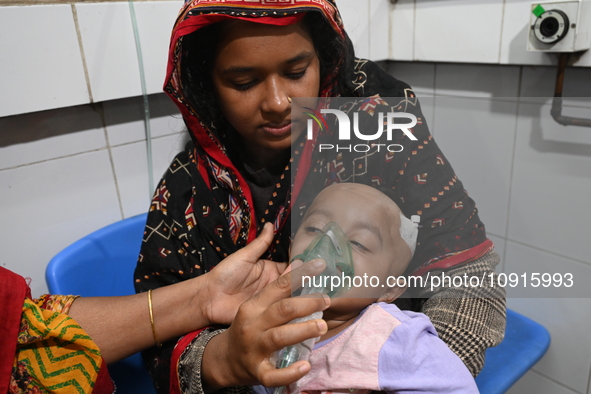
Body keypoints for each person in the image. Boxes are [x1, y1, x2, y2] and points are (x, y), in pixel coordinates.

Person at [133, 1, 506, 393]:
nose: (278, 103)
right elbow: (164, 344)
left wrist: (401, 369)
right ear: (207, 83)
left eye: (296, 73)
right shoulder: (188, 191)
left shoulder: (375, 124)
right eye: (243, 82)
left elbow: (467, 276)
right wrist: (230, 359)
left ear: (324, 61)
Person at [1, 228, 327, 394]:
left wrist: (205, 297)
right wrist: (223, 355)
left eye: (361, 243)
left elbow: (22, 328)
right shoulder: (186, 194)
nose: (327, 255)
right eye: (313, 230)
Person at [255, 182, 478, 393]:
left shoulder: (391, 338)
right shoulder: (266, 316)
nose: (326, 246)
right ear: (291, 247)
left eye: (358, 243)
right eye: (315, 229)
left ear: (388, 289)